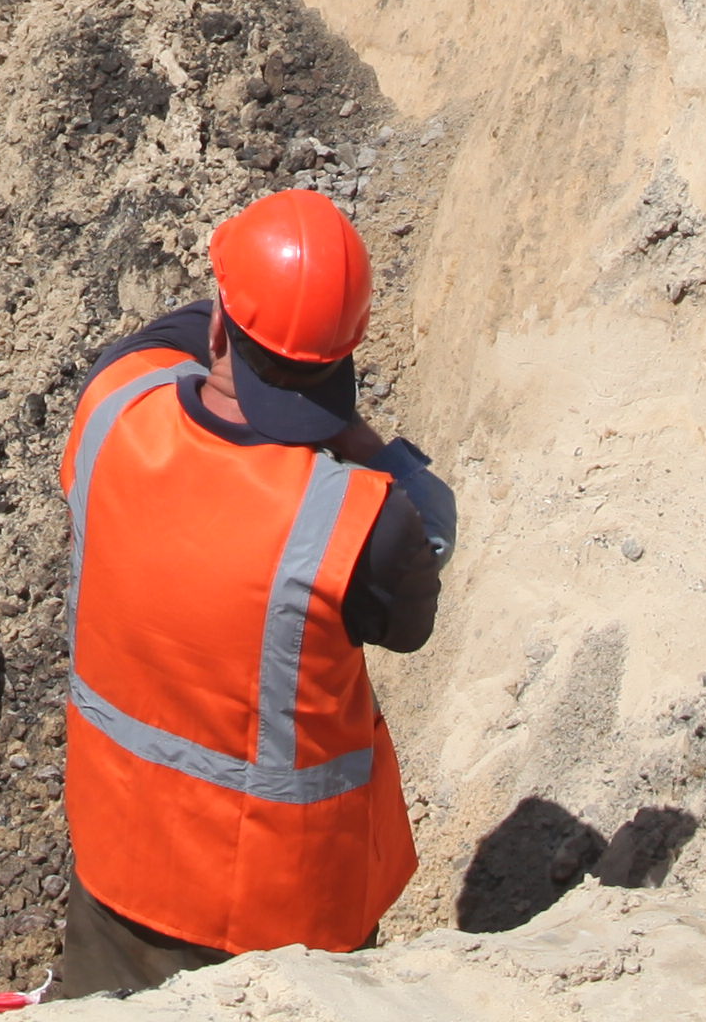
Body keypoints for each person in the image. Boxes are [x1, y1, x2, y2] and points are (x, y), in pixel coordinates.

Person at [50, 190, 454, 993]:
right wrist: (349, 432)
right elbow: (427, 539)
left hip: (118, 861)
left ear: (219, 331)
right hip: (284, 924)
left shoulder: (113, 406)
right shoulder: (360, 522)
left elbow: (169, 335)